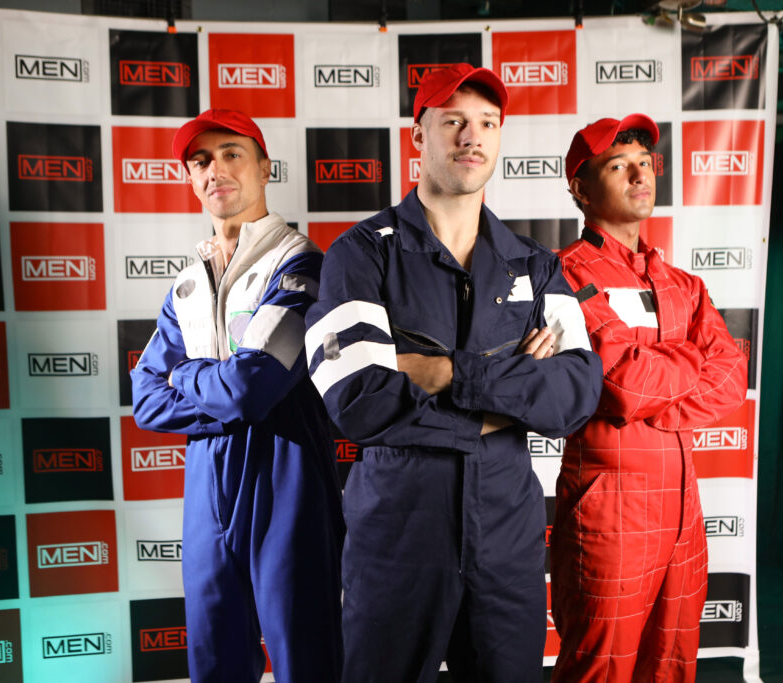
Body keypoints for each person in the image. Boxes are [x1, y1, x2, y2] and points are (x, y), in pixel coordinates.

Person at [304, 64, 602, 682]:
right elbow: (357, 398)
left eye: (488, 123)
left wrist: (443, 373)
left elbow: (575, 394)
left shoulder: (536, 265)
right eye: (454, 122)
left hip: (507, 535)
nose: (473, 136)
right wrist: (509, 395)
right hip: (398, 530)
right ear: (418, 136)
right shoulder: (360, 255)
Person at [131, 109, 344, 683]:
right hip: (207, 482)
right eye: (200, 161)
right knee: (214, 656)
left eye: (231, 154)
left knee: (305, 656)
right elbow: (146, 399)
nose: (215, 170)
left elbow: (252, 390)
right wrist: (218, 385)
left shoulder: (300, 263)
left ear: (264, 168)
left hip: (286, 471)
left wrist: (185, 374)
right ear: (190, 178)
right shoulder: (188, 283)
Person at [550, 115, 748, 682]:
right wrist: (689, 360)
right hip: (610, 509)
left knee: (672, 667)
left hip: (684, 512)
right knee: (600, 669)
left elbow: (731, 379)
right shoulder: (563, 275)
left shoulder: (684, 283)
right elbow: (621, 382)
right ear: (581, 189)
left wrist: (655, 390)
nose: (640, 175)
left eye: (645, 163)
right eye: (618, 166)